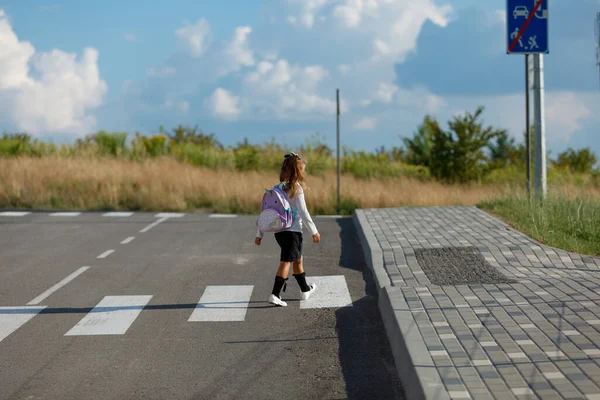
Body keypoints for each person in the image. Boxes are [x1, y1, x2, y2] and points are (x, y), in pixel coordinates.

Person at [254, 152, 320, 307]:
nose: (304, 173)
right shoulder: (297, 189)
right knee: (286, 262)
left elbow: (267, 212)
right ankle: (275, 294)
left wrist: (260, 233)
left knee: (297, 258)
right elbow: (303, 212)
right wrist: (314, 231)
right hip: (293, 231)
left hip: (279, 232)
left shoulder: (276, 189)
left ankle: (305, 290)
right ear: (297, 172)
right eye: (302, 170)